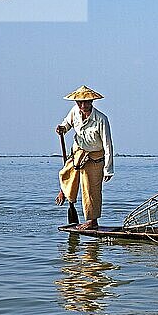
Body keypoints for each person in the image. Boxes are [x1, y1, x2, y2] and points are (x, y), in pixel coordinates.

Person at [55, 85, 114, 230]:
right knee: (66, 173)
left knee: (91, 189)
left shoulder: (101, 119)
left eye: (86, 102)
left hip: (95, 157)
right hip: (78, 152)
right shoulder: (75, 111)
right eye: (80, 102)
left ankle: (92, 222)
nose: (83, 105)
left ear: (92, 102)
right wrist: (62, 128)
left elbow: (108, 145)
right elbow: (67, 124)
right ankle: (65, 192)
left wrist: (108, 169)